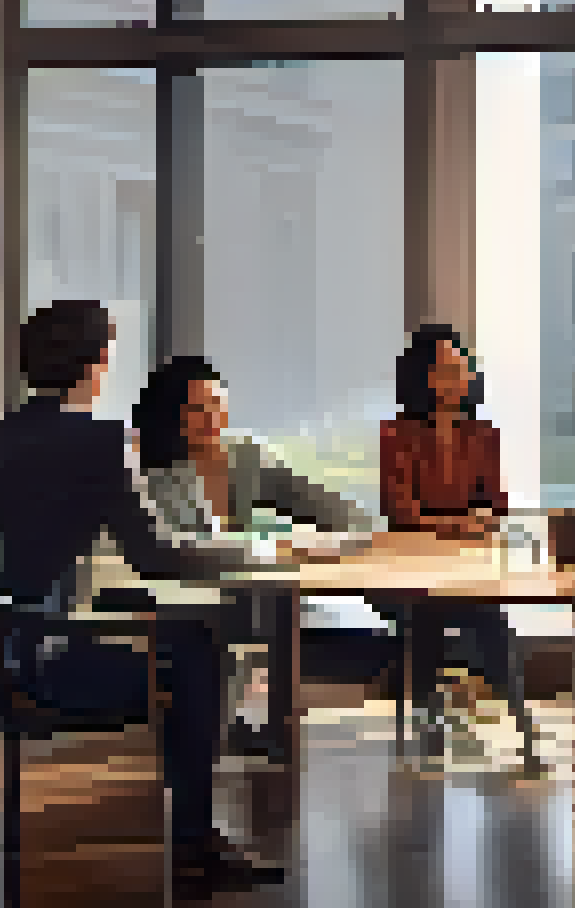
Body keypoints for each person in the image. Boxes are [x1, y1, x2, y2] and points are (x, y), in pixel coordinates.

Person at [0, 301, 292, 897]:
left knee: (182, 644)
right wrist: (252, 554)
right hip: (51, 664)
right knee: (196, 648)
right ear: (98, 363)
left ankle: (189, 836)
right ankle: (193, 842)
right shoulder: (104, 443)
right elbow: (156, 557)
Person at [133, 354, 355, 763]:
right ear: (172, 417)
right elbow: (178, 551)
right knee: (248, 611)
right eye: (198, 409)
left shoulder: (245, 455)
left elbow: (334, 510)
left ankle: (261, 733)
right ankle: (218, 736)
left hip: (243, 591)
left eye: (218, 405)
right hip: (175, 598)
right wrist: (269, 543)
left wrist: (329, 535)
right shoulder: (150, 470)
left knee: (276, 603)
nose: (212, 418)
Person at [374, 323, 538, 766]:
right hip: (413, 570)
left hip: (468, 568)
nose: (456, 377)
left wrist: (474, 522)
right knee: (425, 617)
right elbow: (401, 511)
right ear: (422, 378)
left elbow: (496, 504)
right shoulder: (397, 434)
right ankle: (427, 735)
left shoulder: (482, 434)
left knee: (493, 624)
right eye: (445, 369)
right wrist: (460, 524)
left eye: (461, 368)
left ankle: (522, 728)